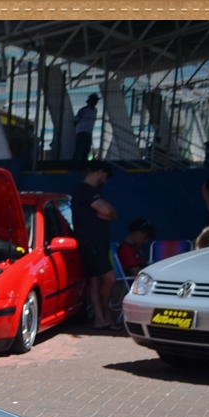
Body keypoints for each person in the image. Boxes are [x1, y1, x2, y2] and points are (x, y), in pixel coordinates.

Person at [71, 160, 118, 329]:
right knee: (110, 278)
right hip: (92, 244)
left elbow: (112, 214)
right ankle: (106, 314)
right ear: (99, 173)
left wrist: (108, 213)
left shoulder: (92, 192)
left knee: (95, 281)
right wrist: (107, 213)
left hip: (97, 244)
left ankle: (100, 319)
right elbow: (107, 211)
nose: (105, 180)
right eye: (105, 176)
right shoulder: (85, 191)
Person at [73, 94, 98, 164]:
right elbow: (75, 120)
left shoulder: (95, 110)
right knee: (79, 149)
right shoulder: (83, 110)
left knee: (86, 149)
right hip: (81, 131)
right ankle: (75, 164)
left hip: (88, 132)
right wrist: (78, 129)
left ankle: (83, 164)